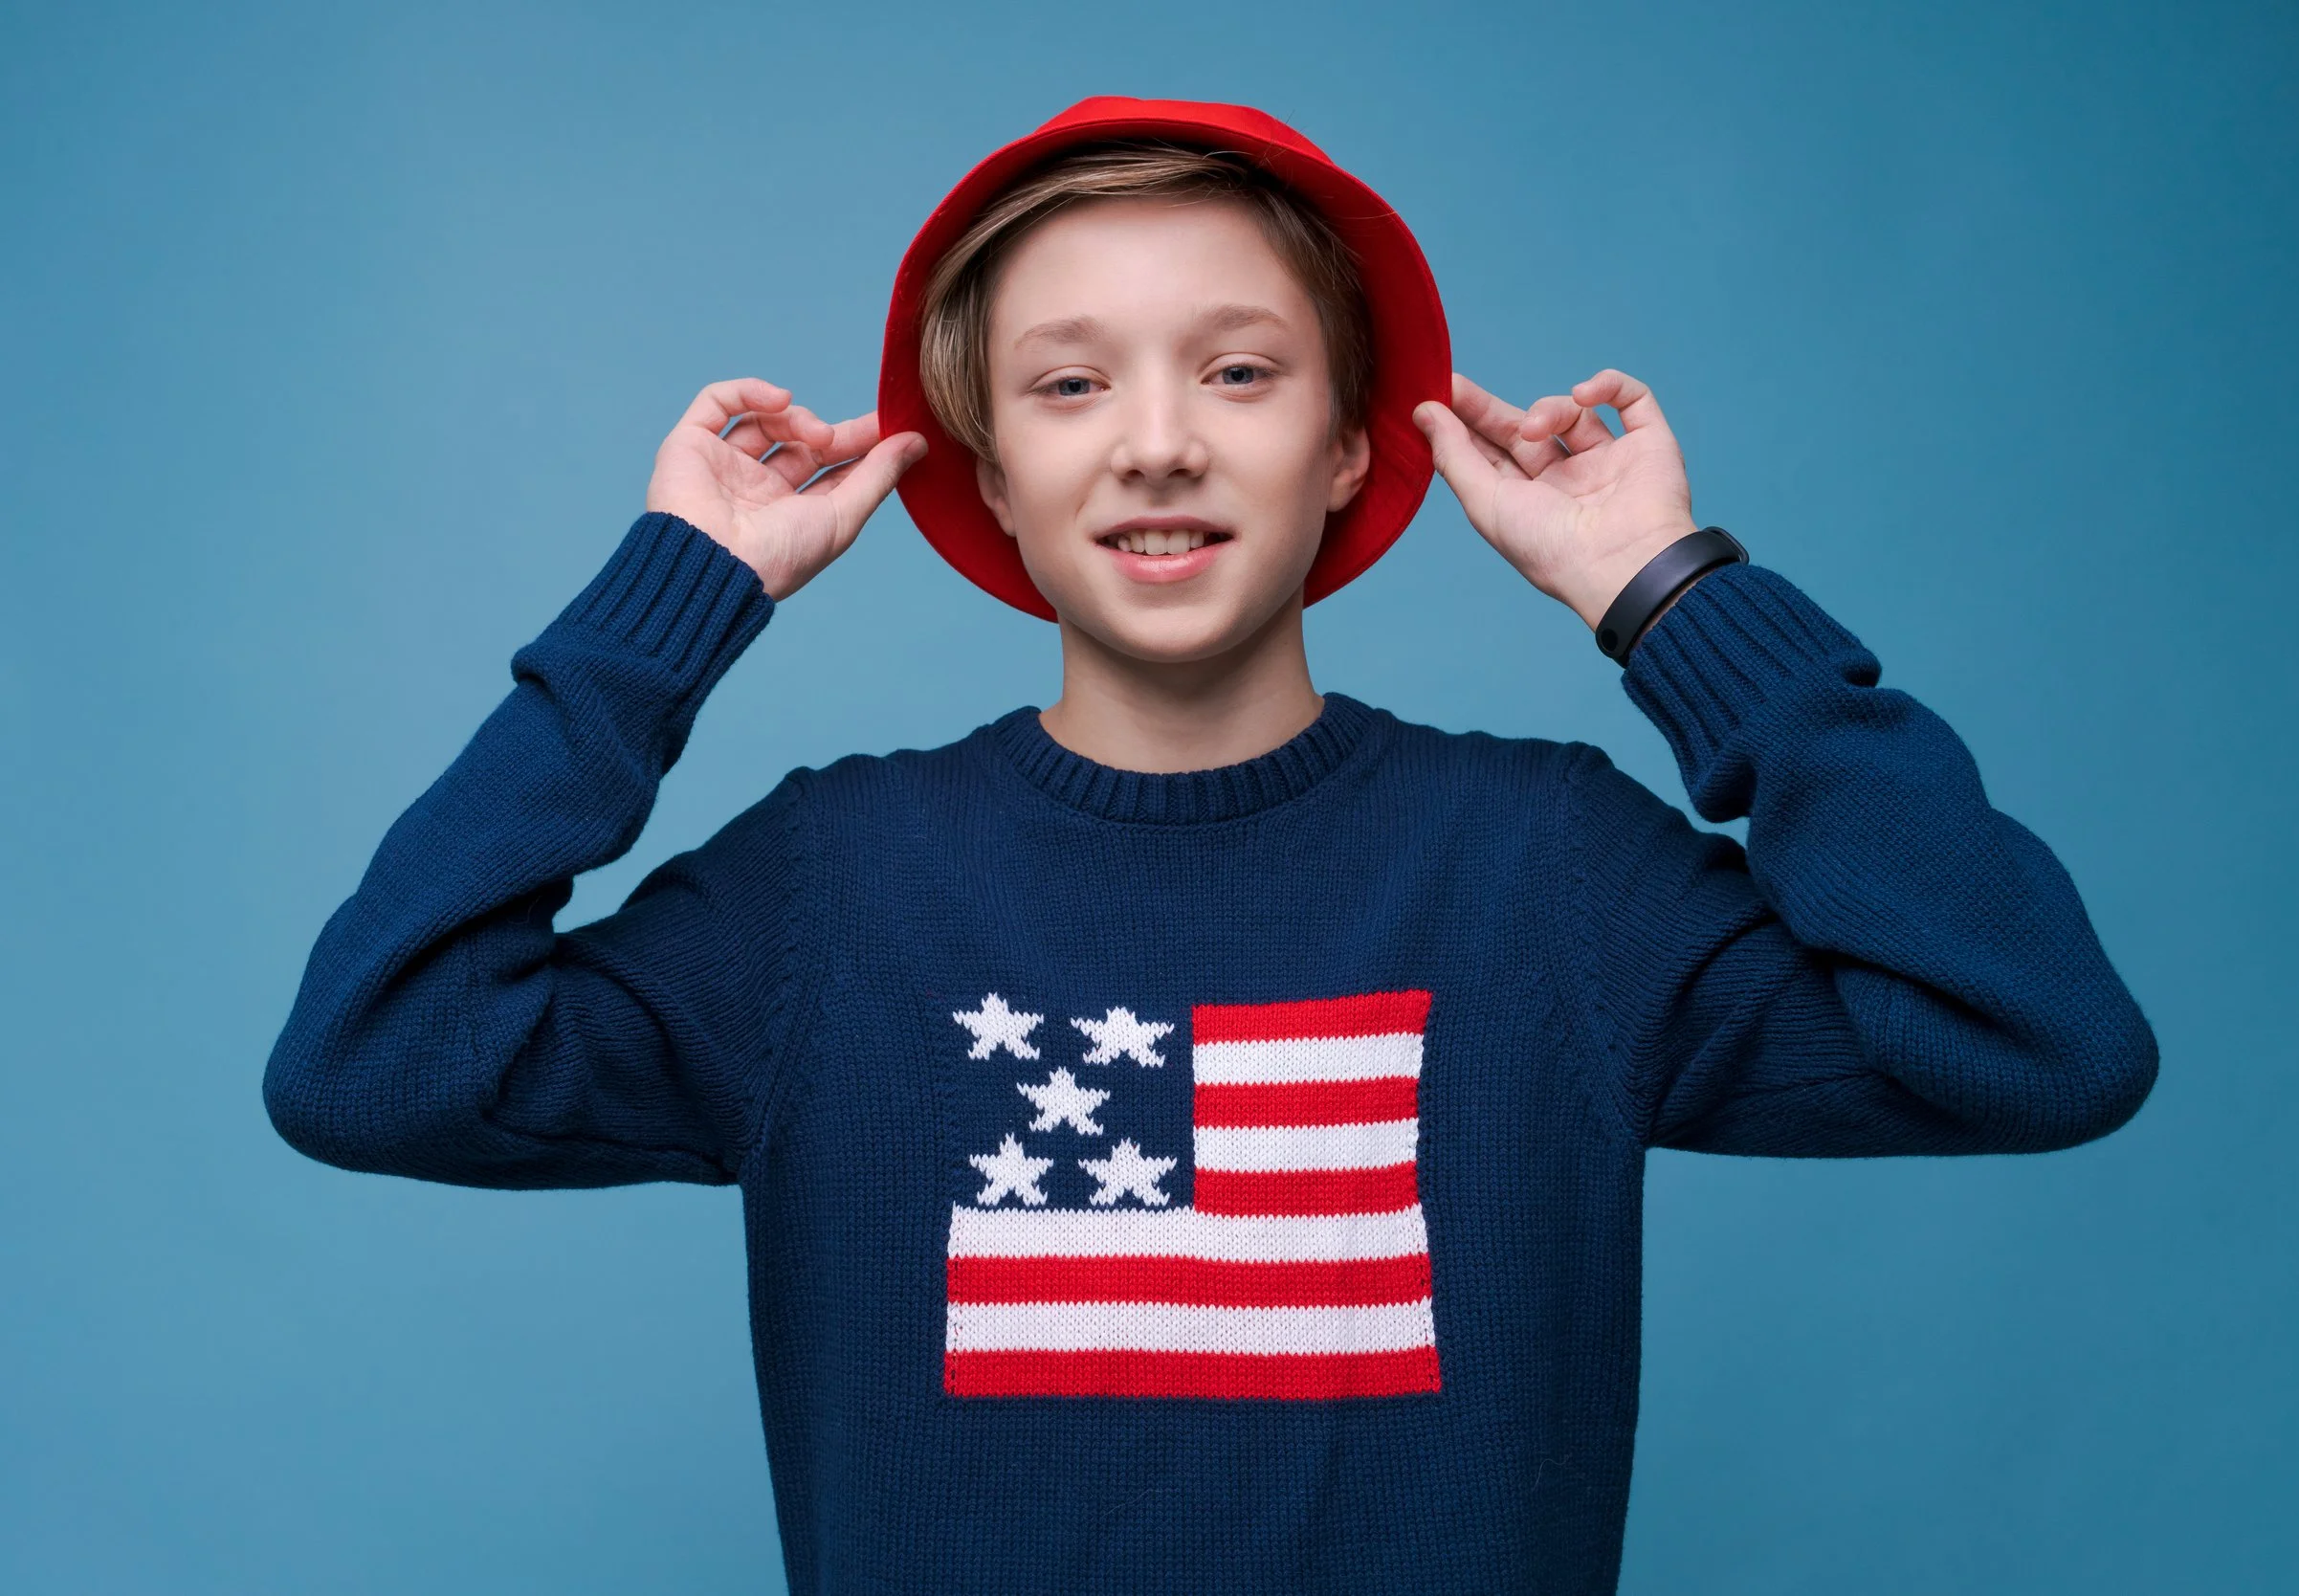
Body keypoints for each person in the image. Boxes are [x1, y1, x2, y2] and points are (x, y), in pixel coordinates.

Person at [264, 97, 2158, 1594]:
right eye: (1068, 384)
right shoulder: (830, 893)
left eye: (1238, 372)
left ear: (1352, 444)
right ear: (989, 473)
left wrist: (1669, 598)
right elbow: (371, 1059)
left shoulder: (1543, 871)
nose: (1155, 444)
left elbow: (2036, 1040)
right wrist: (668, 602)